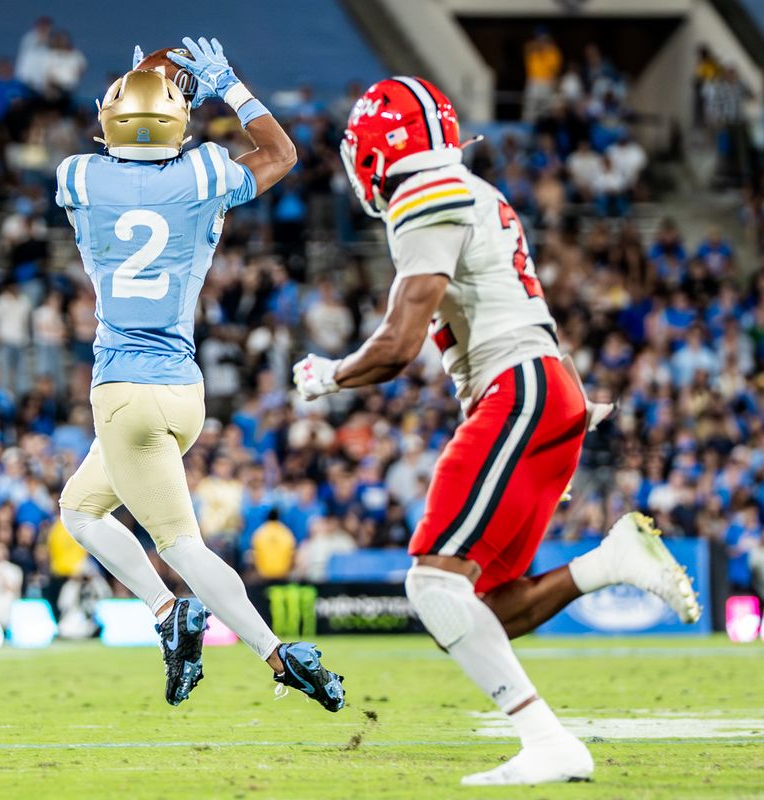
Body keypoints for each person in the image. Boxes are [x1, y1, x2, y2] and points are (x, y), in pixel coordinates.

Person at [294, 76, 702, 785]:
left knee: (431, 585)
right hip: (543, 389)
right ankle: (608, 565)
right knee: (482, 608)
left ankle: (547, 743)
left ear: (375, 150)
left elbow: (396, 346)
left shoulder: (424, 195)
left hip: (519, 392)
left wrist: (328, 375)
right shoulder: (471, 192)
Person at [55, 37, 344, 711]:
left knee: (181, 545)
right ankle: (166, 611)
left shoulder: (79, 177)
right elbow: (280, 155)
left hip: (124, 393)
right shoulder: (203, 173)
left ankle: (276, 653)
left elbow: (119, 135)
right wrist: (227, 85)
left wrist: (144, 80)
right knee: (79, 508)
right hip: (182, 392)